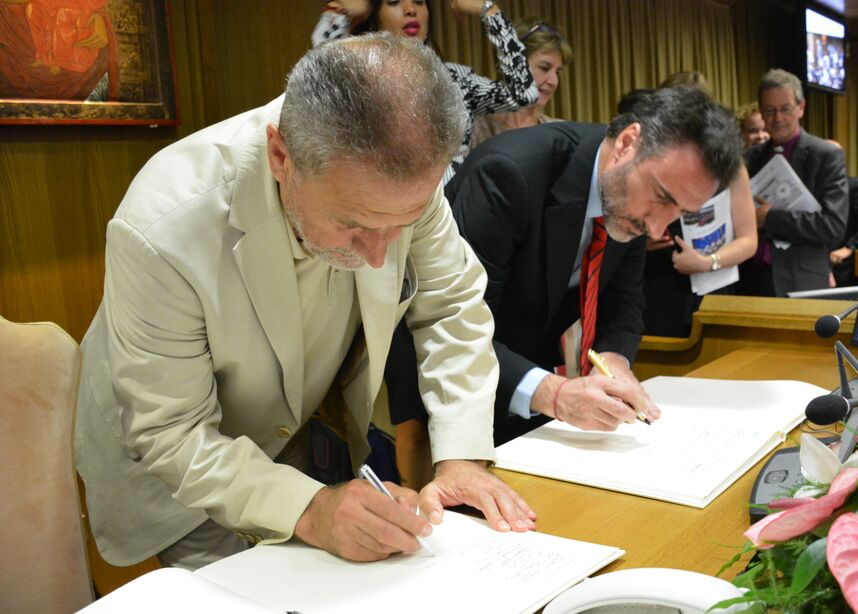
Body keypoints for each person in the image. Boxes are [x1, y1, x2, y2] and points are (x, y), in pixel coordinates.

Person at [74, 34, 535, 572]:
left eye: (401, 226)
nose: (377, 254)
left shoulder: (398, 182)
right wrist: (313, 511)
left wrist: (462, 457)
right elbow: (173, 433)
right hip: (177, 468)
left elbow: (451, 303)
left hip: (291, 433)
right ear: (280, 156)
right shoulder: (164, 226)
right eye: (353, 224)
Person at [446, 86, 742, 444]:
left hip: (525, 381)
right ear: (627, 143)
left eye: (680, 213)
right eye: (662, 197)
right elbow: (457, 325)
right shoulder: (510, 173)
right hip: (450, 390)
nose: (658, 228)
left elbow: (624, 301)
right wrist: (552, 394)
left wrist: (614, 359)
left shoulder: (630, 204)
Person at [313, 0, 538, 185]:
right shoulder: (360, 81)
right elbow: (320, 76)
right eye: (393, 2)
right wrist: (339, 12)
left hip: (456, 218)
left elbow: (524, 93)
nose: (411, 9)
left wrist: (490, 11)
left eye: (420, 2)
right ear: (376, 19)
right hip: (391, 215)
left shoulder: (456, 79)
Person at [625, 82, 756, 338]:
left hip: (713, 285)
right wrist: (640, 240)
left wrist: (708, 262)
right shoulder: (655, 157)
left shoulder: (732, 167)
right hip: (655, 283)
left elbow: (748, 239)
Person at [742, 68, 848, 296]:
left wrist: (769, 218)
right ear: (761, 111)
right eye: (769, 111)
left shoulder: (825, 155)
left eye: (785, 109)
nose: (777, 118)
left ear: (801, 108)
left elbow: (833, 226)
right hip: (750, 280)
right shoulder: (748, 159)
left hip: (802, 280)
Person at [470, 18, 573, 148]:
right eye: (544, 68)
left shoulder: (561, 135)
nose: (554, 81)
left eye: (557, 72)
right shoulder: (472, 129)